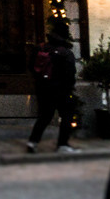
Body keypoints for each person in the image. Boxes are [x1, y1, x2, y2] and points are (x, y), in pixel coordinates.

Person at [28, 23, 79, 154]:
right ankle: (62, 144)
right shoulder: (65, 53)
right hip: (61, 89)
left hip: (42, 88)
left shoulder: (39, 48)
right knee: (67, 115)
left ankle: (33, 141)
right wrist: (70, 88)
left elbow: (31, 67)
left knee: (45, 116)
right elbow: (70, 74)